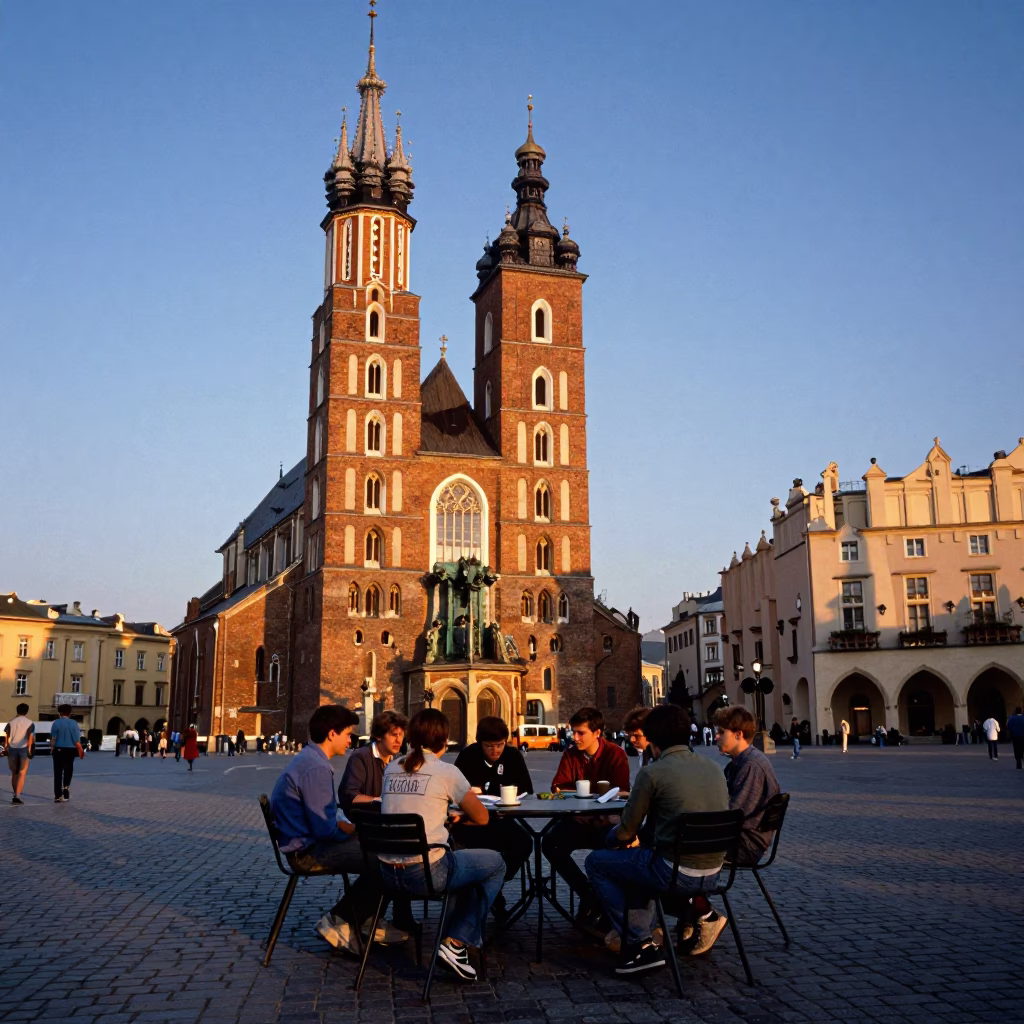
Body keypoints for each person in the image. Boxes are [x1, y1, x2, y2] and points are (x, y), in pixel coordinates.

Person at [585, 704, 730, 976]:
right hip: (713, 872)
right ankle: (644, 937)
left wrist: (611, 839)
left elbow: (626, 831)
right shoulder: (714, 768)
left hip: (674, 871)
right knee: (638, 863)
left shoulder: (653, 773)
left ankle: (639, 941)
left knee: (598, 861)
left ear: (652, 739)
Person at [379, 709, 505, 981]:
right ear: (445, 740)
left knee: (468, 869)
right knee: (494, 863)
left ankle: (455, 939)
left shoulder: (391, 767)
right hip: (425, 872)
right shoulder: (446, 771)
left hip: (387, 873)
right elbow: (482, 817)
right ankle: (456, 941)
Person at [271, 705, 397, 955]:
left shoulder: (309, 758)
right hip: (308, 852)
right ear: (332, 734)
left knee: (379, 848)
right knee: (387, 858)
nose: (350, 740)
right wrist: (350, 831)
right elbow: (325, 830)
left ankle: (363, 918)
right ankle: (341, 920)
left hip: (304, 843)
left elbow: (325, 817)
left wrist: (349, 828)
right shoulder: (317, 767)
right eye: (347, 733)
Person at [679, 705, 782, 957]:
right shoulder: (740, 762)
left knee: (675, 857)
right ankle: (691, 917)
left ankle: (702, 916)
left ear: (738, 734)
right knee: (677, 849)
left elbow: (735, 815)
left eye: (720, 732)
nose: (715, 736)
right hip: (741, 836)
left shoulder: (751, 766)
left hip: (745, 843)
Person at [543, 706, 631, 926]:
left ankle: (604, 902)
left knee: (610, 849)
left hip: (605, 824)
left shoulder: (615, 754)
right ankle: (588, 892)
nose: (575, 737)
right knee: (550, 843)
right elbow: (558, 787)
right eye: (574, 731)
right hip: (577, 821)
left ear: (597, 733)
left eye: (581, 733)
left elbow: (621, 792)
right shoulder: (571, 753)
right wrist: (576, 810)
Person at [337, 710, 417, 933]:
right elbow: (349, 796)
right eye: (393, 735)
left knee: (408, 850)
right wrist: (378, 800)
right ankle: (364, 915)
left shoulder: (399, 761)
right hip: (364, 826)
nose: (399, 740)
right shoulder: (361, 757)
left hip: (387, 826)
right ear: (379, 736)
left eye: (401, 735)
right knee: (394, 857)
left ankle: (398, 915)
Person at [452, 716, 534, 921]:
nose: (495, 751)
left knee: (524, 842)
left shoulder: (513, 755)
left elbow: (526, 789)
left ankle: (494, 884)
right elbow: (454, 790)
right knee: (477, 847)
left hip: (502, 819)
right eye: (489, 746)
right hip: (471, 823)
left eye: (500, 745)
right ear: (480, 743)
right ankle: (491, 891)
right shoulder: (468, 756)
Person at [50, 705, 84, 802]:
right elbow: (77, 739)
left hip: (58, 749)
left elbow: (53, 738)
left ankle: (57, 795)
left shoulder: (56, 723)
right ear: (69, 713)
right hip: (70, 749)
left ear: (59, 713)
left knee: (58, 772)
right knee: (68, 770)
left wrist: (52, 748)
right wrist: (80, 749)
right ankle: (66, 789)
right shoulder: (74, 723)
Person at [5, 703, 35, 804]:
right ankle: (17, 796)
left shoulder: (11, 722)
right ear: (26, 711)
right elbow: (30, 737)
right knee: (22, 772)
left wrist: (6, 747)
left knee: (14, 773)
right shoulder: (30, 723)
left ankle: (15, 793)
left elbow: (7, 736)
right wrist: (30, 750)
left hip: (12, 748)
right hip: (24, 749)